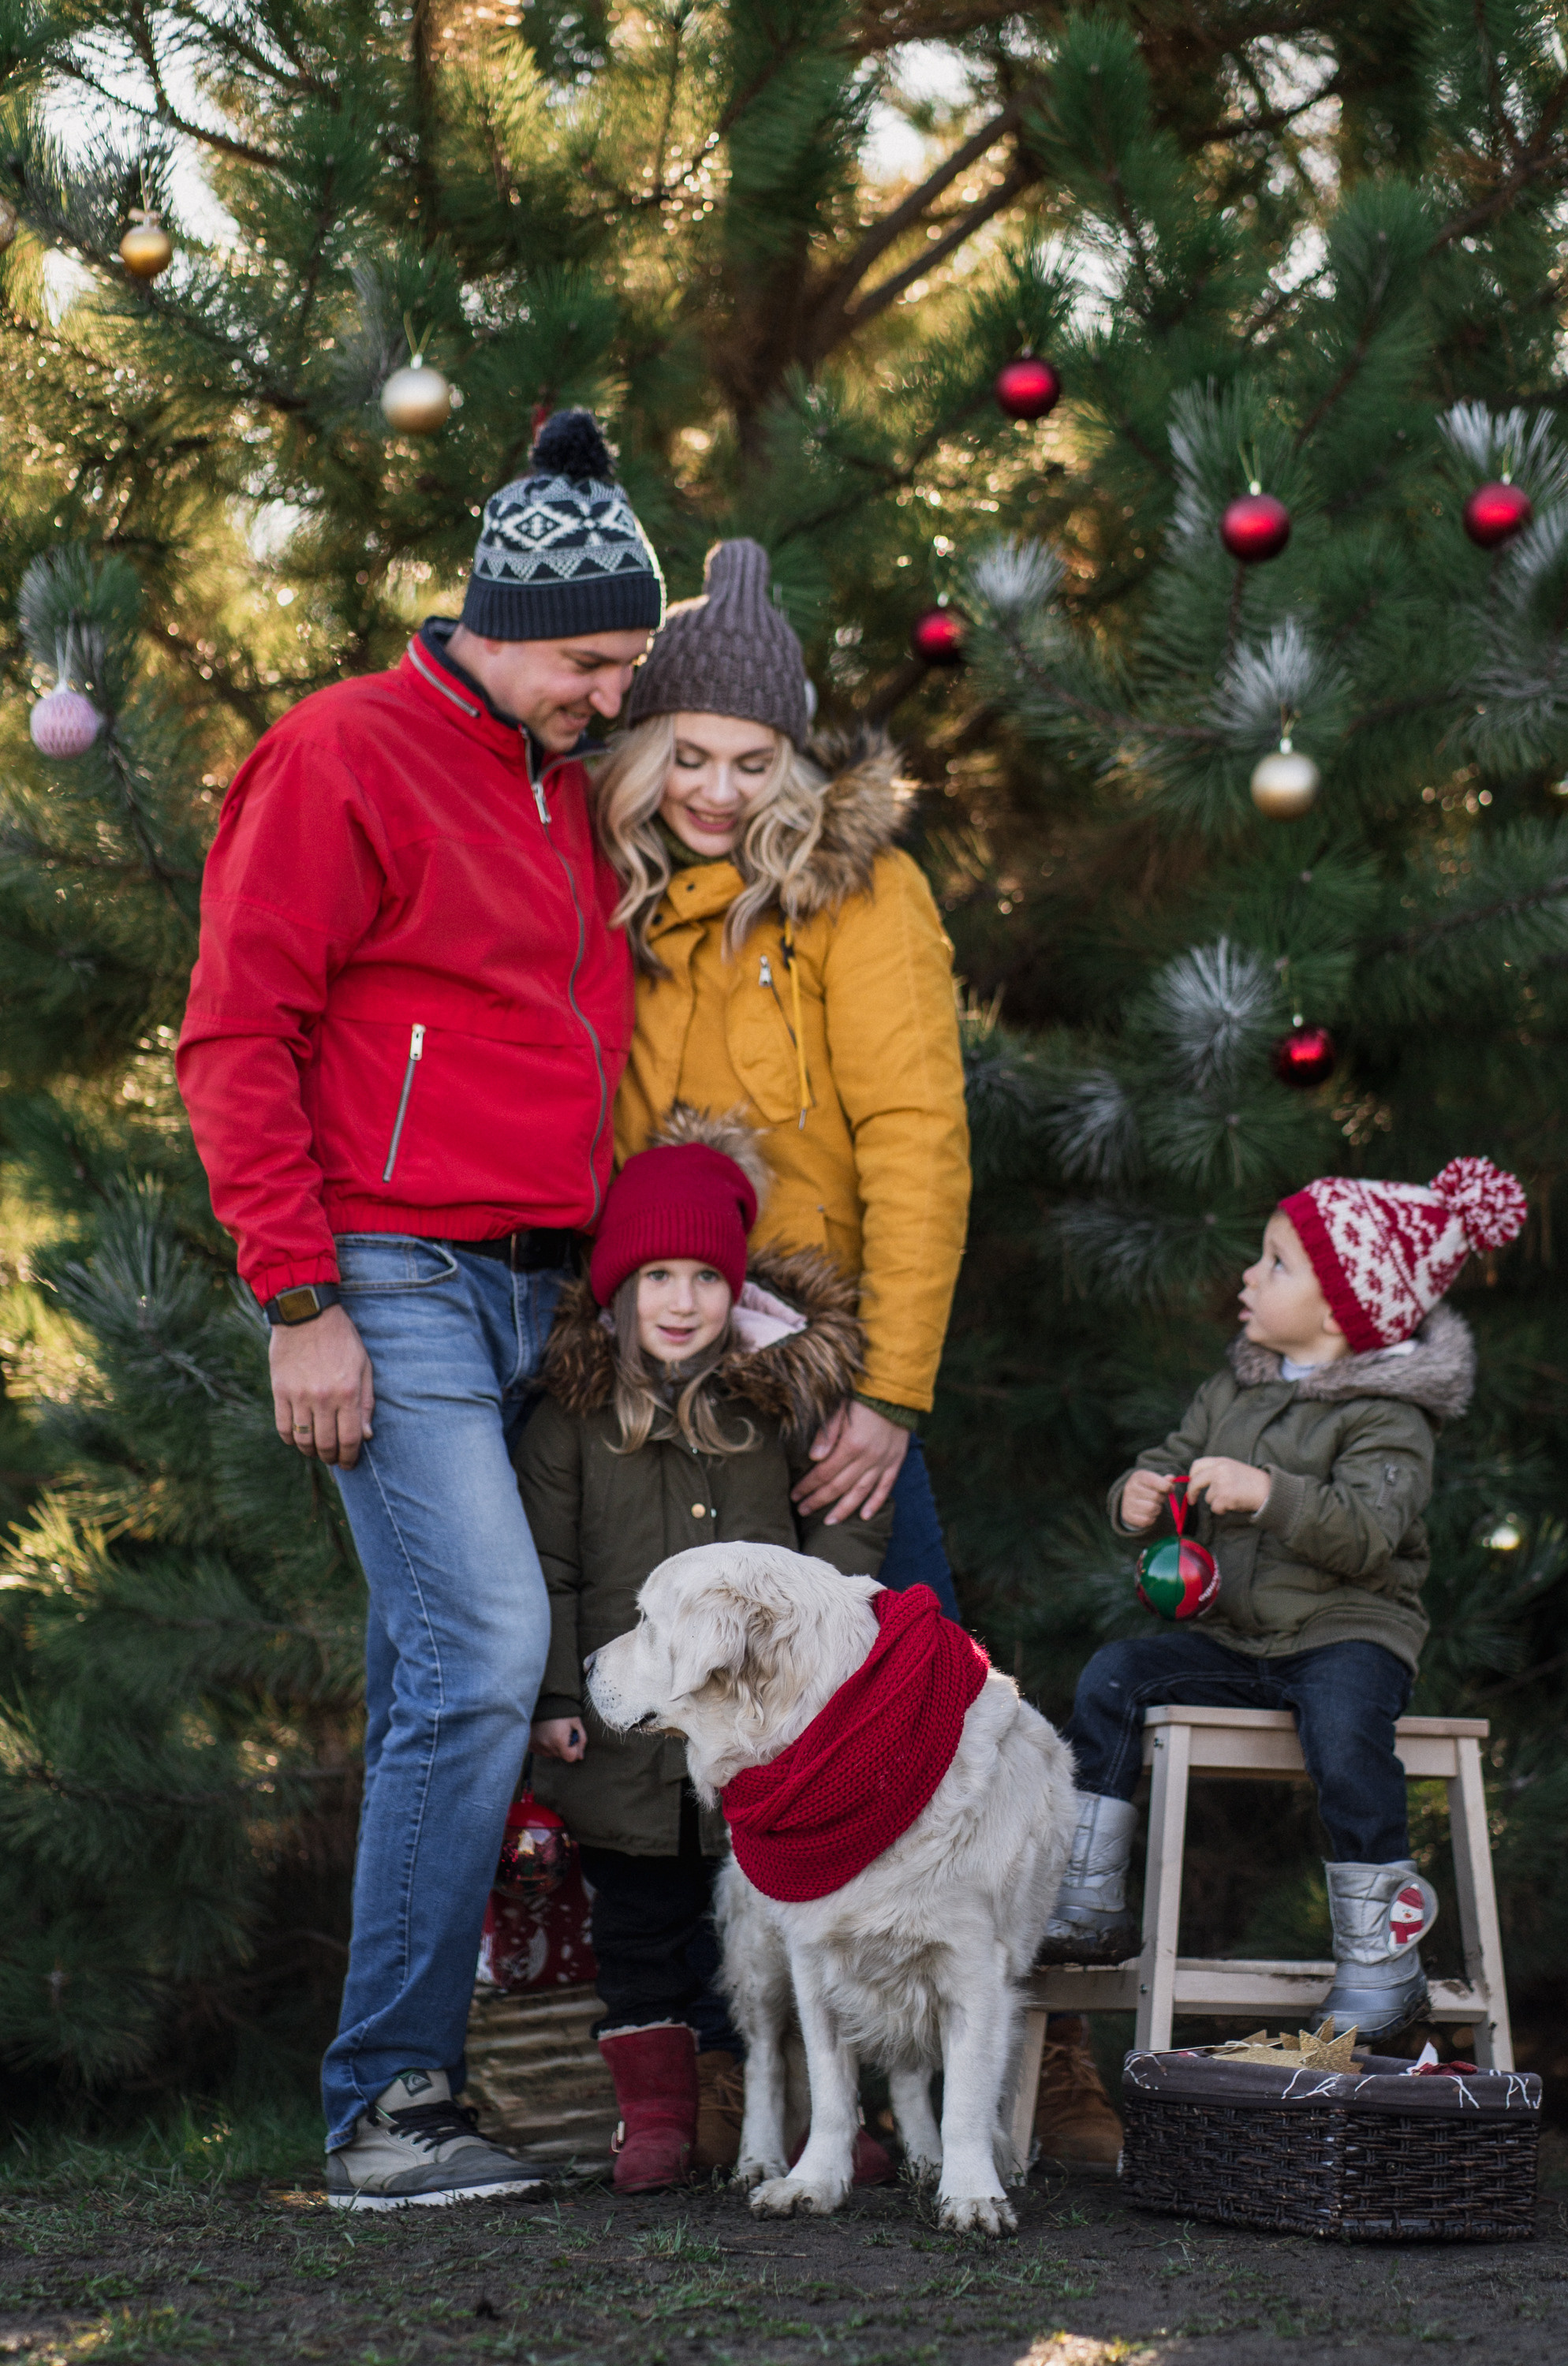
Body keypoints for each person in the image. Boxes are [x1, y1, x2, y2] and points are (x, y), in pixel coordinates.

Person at [175, 409, 665, 2208]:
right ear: (495, 622)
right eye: (591, 659)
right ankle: (389, 2103)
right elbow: (237, 1036)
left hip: (542, 1280)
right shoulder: (340, 752)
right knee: (478, 1650)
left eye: (630, 660)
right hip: (384, 1269)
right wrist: (301, 1297)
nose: (613, 693)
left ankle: (409, 2094)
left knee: (432, 1678)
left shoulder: (560, 775)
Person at [1043, 1156, 1528, 2051]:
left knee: (1346, 1738)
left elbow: (1368, 1533)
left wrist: (1268, 1493)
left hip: (1348, 1632)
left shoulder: (1388, 1415)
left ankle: (1381, 1966)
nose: (1248, 1276)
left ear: (1345, 1308)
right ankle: (1085, 1898)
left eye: (1275, 1264)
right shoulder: (1235, 1387)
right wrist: (1138, 1496)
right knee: (1115, 1674)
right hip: (1236, 1641)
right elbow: (1172, 1457)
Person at [517, 1111, 894, 2190]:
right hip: (627, 1726)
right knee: (641, 1923)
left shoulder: (777, 1404)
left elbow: (845, 1529)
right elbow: (547, 1572)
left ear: (737, 1291)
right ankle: (657, 2121)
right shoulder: (569, 1424)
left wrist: (831, 1662)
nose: (681, 1302)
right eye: (656, 1277)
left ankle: (812, 2108)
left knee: (783, 1921)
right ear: (616, 1290)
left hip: (765, 1734)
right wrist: (552, 1696)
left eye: (704, 1278)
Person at [595, 538, 972, 1614]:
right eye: (689, 755)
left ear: (793, 763)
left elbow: (918, 1141)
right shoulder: (610, 890)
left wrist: (891, 1392)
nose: (718, 792)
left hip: (813, 1364)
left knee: (889, 1678)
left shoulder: (860, 895)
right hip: (640, 1358)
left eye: (753, 763)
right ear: (642, 749)